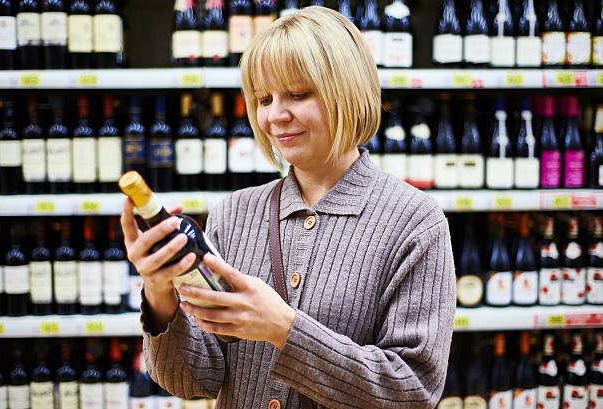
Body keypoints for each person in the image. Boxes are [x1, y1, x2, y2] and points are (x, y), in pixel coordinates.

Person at [120, 6, 455, 409]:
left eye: (298, 94)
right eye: (264, 99)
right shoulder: (234, 213)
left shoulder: (415, 222)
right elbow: (194, 380)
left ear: (348, 92)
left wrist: (285, 329)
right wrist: (160, 292)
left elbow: (412, 392)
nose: (275, 116)